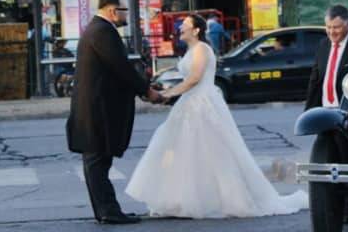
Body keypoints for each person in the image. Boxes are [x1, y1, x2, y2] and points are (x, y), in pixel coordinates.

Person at [125, 14, 307, 218]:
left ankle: (225, 200)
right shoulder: (191, 50)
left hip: (203, 105)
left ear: (196, 30)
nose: (180, 28)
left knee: (214, 152)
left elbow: (194, 79)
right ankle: (181, 199)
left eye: (184, 25)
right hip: (189, 104)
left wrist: (166, 94)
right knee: (185, 152)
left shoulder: (202, 49)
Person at [66, 0, 162, 225]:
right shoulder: (102, 31)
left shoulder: (98, 29)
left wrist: (144, 87)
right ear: (112, 11)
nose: (126, 15)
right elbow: (121, 68)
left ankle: (107, 210)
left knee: (98, 161)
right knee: (97, 161)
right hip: (96, 110)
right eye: (124, 10)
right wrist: (146, 91)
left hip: (94, 109)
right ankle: (108, 211)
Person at [304, 4, 348, 224]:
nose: (332, 32)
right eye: (328, 27)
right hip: (324, 112)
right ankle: (330, 201)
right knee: (326, 156)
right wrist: (309, 111)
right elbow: (316, 79)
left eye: (336, 28)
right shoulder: (323, 46)